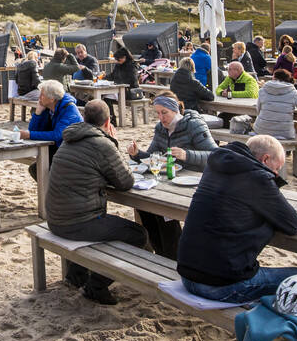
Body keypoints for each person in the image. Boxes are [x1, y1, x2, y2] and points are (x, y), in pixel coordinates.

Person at [176, 135, 297, 303]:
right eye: (277, 168)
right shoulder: (257, 177)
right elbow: (293, 224)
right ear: (265, 159)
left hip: (187, 276)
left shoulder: (214, 167)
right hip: (220, 285)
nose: (276, 173)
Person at [46, 99, 146, 304]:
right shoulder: (102, 144)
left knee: (100, 219)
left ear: (84, 118)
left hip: (55, 218)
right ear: (108, 121)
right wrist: (113, 142)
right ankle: (96, 286)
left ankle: (76, 276)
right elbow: (125, 181)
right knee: (138, 234)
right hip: (76, 224)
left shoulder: (70, 138)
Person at [127, 93, 218, 257]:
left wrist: (187, 155)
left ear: (175, 110)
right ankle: (163, 253)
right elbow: (152, 156)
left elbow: (215, 155)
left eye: (164, 112)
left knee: (163, 212)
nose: (161, 118)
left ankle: (173, 255)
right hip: (170, 180)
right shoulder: (160, 128)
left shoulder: (194, 125)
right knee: (146, 207)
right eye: (158, 113)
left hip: (195, 182)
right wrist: (136, 154)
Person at [20, 79, 83, 179]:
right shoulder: (48, 107)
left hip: (72, 153)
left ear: (52, 98)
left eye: (42, 95)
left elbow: (57, 135)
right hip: (57, 149)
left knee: (38, 169)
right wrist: (38, 113)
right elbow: (33, 129)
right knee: (36, 169)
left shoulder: (70, 110)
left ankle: (53, 192)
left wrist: (29, 134)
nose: (39, 97)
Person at [254, 68, 297, 141]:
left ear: (273, 77)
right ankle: (289, 151)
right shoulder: (292, 92)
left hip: (261, 131)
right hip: (283, 133)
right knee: (296, 135)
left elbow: (258, 110)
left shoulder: (263, 90)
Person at [104, 47, 142, 124]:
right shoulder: (118, 65)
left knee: (107, 97)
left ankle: (112, 120)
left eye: (119, 59)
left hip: (130, 91)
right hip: (119, 89)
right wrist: (104, 78)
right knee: (105, 97)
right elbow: (112, 75)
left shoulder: (132, 66)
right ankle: (111, 118)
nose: (117, 61)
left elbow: (133, 80)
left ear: (124, 57)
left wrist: (118, 82)